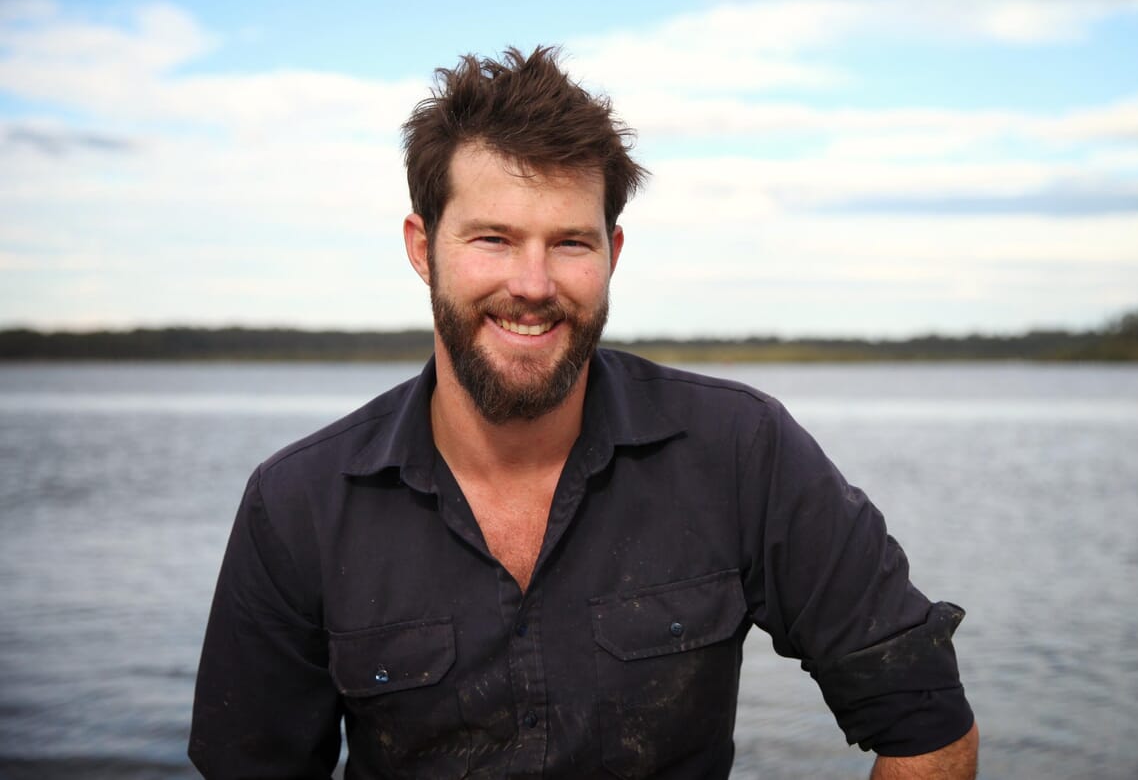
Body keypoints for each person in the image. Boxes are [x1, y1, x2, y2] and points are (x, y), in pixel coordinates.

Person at [189, 46, 977, 779]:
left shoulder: (740, 449)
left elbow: (930, 724)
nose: (533, 284)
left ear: (613, 253)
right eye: (493, 238)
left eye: (569, 243)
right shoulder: (298, 504)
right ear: (422, 248)